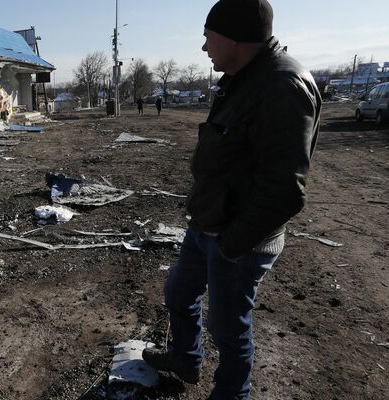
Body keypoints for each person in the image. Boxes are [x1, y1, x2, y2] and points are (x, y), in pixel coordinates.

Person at [141, 1, 321, 399]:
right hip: (207, 223)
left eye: (209, 38)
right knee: (179, 293)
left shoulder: (281, 86)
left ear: (236, 38)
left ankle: (231, 395)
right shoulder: (240, 76)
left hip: (240, 240)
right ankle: (186, 359)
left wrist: (231, 245)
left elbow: (285, 190)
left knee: (228, 329)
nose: (204, 48)